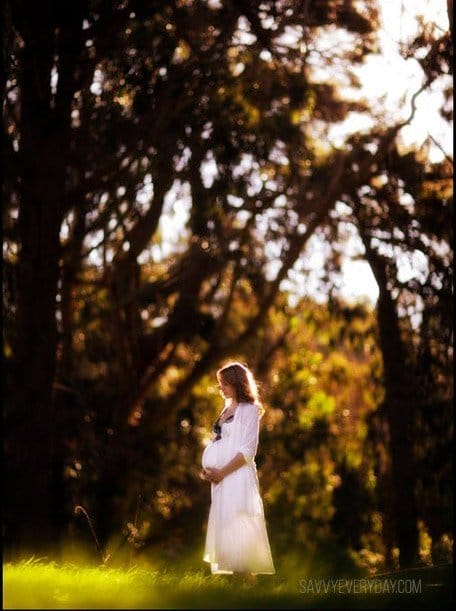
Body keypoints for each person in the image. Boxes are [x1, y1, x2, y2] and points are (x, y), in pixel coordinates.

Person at [200, 361, 275, 576]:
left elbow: (248, 451)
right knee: (225, 529)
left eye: (225, 384)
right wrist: (209, 470)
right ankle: (231, 588)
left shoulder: (249, 410)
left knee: (238, 528)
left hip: (236, 476)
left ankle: (244, 583)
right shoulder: (226, 408)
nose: (221, 388)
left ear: (237, 383)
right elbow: (219, 441)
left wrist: (222, 472)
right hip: (220, 479)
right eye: (220, 384)